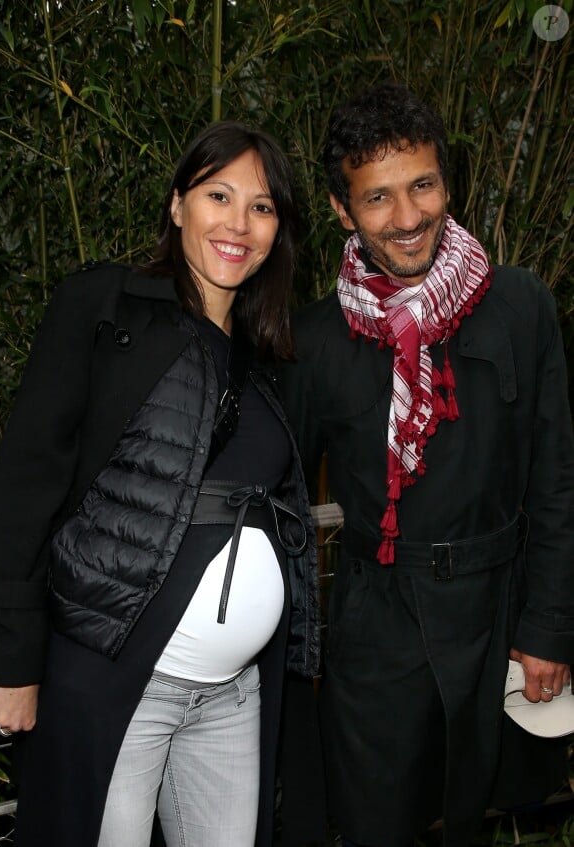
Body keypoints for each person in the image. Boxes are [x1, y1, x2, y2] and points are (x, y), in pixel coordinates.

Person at [0, 120, 320, 847]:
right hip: (117, 683)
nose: (239, 223)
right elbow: (24, 485)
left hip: (234, 694)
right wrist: (10, 662)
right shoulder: (105, 307)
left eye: (262, 207)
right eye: (219, 195)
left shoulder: (269, 359)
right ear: (178, 205)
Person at [278, 82, 574, 846]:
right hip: (380, 619)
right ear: (344, 210)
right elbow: (276, 508)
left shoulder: (520, 305)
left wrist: (547, 625)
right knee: (377, 821)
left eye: (423, 185)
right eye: (377, 198)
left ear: (449, 181)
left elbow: (556, 480)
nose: (408, 219)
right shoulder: (313, 341)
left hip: (500, 610)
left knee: (487, 811)